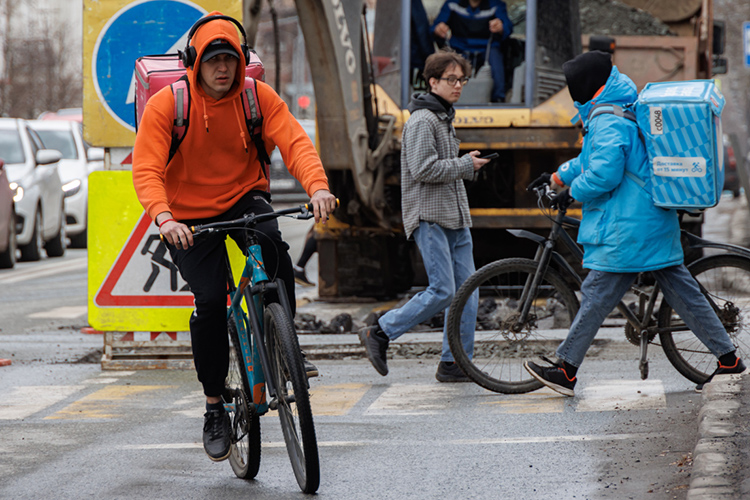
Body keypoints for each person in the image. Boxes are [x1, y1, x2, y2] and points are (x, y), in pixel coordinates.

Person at [132, 12, 337, 462]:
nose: (222, 68)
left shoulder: (256, 97)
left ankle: (286, 347)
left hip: (245, 198)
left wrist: (317, 187)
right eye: (212, 60)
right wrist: (165, 218)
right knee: (208, 304)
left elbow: (295, 142)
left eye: (229, 59)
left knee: (276, 255)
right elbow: (146, 169)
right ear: (194, 62)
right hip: (187, 218)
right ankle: (213, 406)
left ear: (241, 61)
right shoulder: (170, 105)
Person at [523, 50, 745, 397]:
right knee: (680, 289)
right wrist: (557, 176)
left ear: (585, 86)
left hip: (628, 228)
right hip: (645, 221)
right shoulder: (615, 109)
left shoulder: (606, 119)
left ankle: (565, 370)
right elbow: (591, 157)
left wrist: (571, 192)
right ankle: (729, 360)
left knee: (597, 294)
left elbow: (604, 173)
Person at [359, 50, 491, 383]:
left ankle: (454, 363)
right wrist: (464, 166)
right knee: (444, 291)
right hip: (430, 217)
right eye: (451, 79)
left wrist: (465, 165)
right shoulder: (423, 120)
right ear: (432, 81)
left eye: (461, 79)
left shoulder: (444, 117)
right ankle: (381, 332)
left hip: (456, 218)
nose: (458, 85)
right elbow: (422, 168)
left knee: (468, 293)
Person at [431, 0, 512, 102]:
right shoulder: (452, 4)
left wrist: (501, 27)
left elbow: (508, 27)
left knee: (496, 63)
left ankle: (498, 101)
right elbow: (435, 27)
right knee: (449, 65)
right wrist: (438, 29)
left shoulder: (496, 5)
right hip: (459, 48)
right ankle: (444, 100)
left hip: (487, 48)